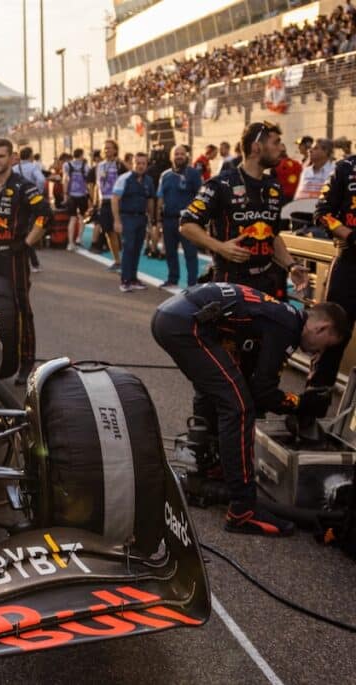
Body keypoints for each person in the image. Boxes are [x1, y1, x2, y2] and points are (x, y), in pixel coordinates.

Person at [152, 283, 346, 536]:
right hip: (185, 324)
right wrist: (301, 403)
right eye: (324, 345)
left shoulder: (281, 315)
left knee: (221, 393)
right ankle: (243, 510)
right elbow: (263, 393)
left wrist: (293, 402)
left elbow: (253, 384)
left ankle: (213, 468)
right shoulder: (287, 326)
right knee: (238, 408)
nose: (318, 353)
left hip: (172, 316)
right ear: (322, 328)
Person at [181, 121, 309, 301]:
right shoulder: (220, 184)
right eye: (276, 142)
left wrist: (291, 265)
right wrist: (220, 247)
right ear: (256, 147)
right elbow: (187, 224)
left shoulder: (274, 186)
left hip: (268, 281)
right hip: (231, 282)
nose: (281, 148)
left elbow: (273, 236)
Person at [0, 138, 52, 385]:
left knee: (20, 309)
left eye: (1, 156)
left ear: (12, 158)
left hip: (13, 256)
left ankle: (27, 362)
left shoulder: (23, 186)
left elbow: (45, 215)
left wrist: (27, 243)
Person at [309, 149, 356, 397]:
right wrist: (350, 235)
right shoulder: (345, 168)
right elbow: (322, 213)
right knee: (331, 338)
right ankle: (310, 411)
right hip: (350, 265)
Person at [156, 145, 203, 287]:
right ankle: (172, 279)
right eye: (176, 154)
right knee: (170, 252)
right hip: (169, 220)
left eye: (182, 154)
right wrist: (158, 219)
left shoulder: (194, 174)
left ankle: (192, 284)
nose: (179, 156)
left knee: (190, 253)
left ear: (186, 156)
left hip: (188, 221)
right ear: (171, 157)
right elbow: (160, 197)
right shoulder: (165, 175)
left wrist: (199, 219)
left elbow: (200, 197)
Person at [112, 152, 156, 293]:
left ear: (146, 164)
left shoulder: (148, 180)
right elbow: (114, 199)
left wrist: (151, 220)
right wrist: (117, 221)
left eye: (143, 163)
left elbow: (150, 200)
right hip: (127, 218)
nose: (140, 166)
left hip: (141, 218)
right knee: (129, 248)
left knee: (137, 249)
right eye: (138, 163)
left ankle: (133, 278)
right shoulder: (124, 179)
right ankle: (125, 280)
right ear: (132, 163)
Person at [90, 140, 127, 269]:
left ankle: (127, 258)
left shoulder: (119, 165)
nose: (107, 151)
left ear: (115, 150)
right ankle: (117, 260)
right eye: (105, 148)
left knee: (121, 230)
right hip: (104, 202)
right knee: (108, 231)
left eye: (110, 148)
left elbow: (126, 183)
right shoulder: (99, 166)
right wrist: (95, 203)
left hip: (118, 200)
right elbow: (97, 185)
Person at [62, 148, 90, 250]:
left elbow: (65, 179)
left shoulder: (66, 165)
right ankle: (79, 238)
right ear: (81, 155)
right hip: (82, 194)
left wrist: (65, 194)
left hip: (71, 195)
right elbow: (88, 181)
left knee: (72, 218)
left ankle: (70, 243)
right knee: (82, 217)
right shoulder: (86, 166)